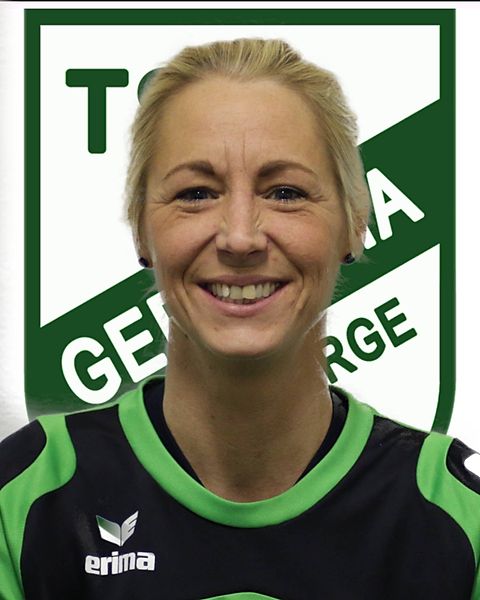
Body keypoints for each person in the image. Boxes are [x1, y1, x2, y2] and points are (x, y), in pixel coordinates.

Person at [0, 38, 479, 600]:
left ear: (354, 222)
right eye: (196, 193)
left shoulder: (457, 515)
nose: (241, 237)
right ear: (141, 229)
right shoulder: (23, 496)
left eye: (286, 192)